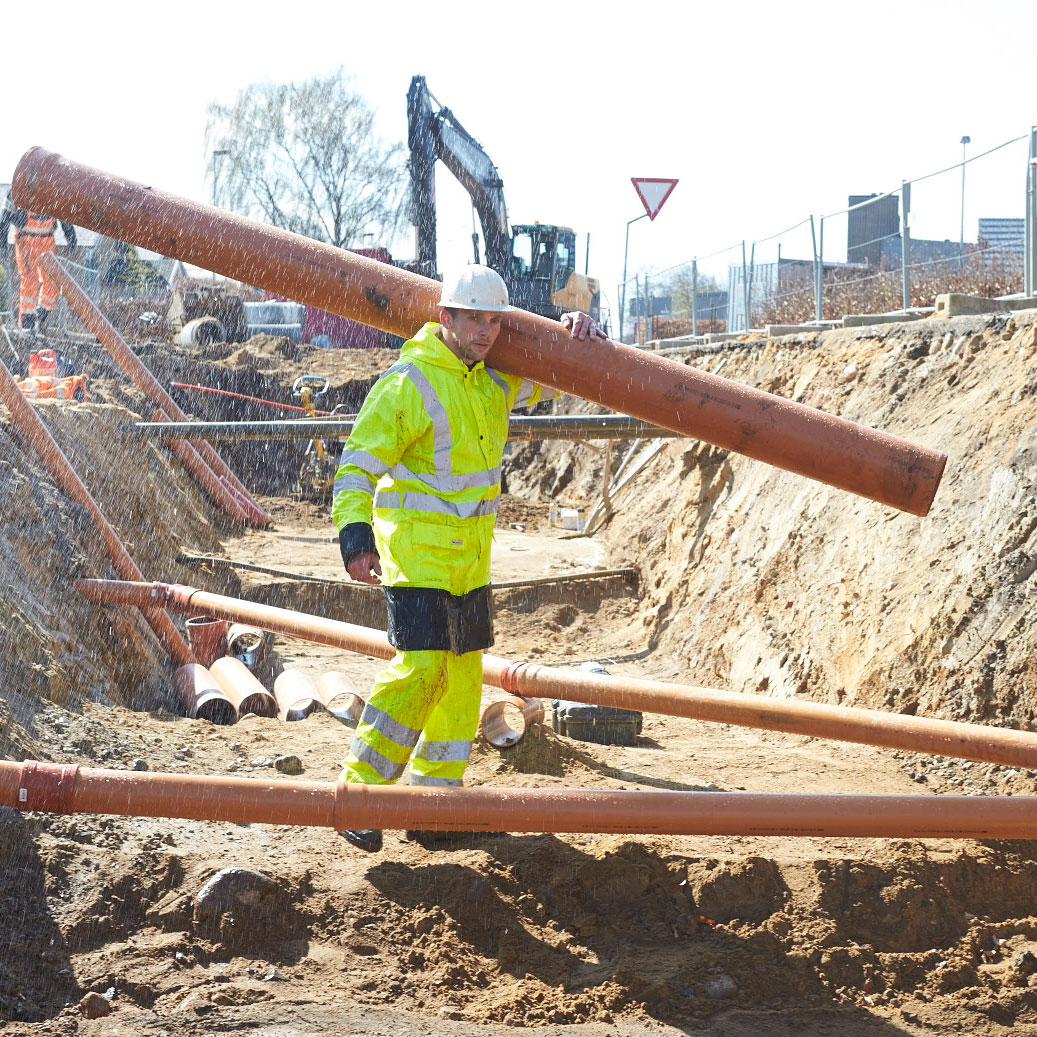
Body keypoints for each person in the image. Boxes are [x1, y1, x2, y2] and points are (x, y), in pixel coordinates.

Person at [332, 265, 605, 853]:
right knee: (422, 671)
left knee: (459, 685)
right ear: (445, 317)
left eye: (494, 321)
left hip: (471, 565)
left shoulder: (492, 383)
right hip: (417, 560)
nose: (485, 331)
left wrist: (572, 332)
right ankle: (359, 795)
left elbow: (558, 379)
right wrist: (355, 537)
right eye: (473, 318)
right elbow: (355, 468)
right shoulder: (407, 384)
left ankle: (436, 805)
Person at [0, 189, 77, 332]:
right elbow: (4, 218)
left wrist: (71, 238)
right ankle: (27, 324)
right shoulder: (18, 188)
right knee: (29, 279)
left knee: (54, 280)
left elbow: (64, 217)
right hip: (25, 240)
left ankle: (40, 314)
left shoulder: (53, 190)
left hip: (46, 241)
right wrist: (2, 245)